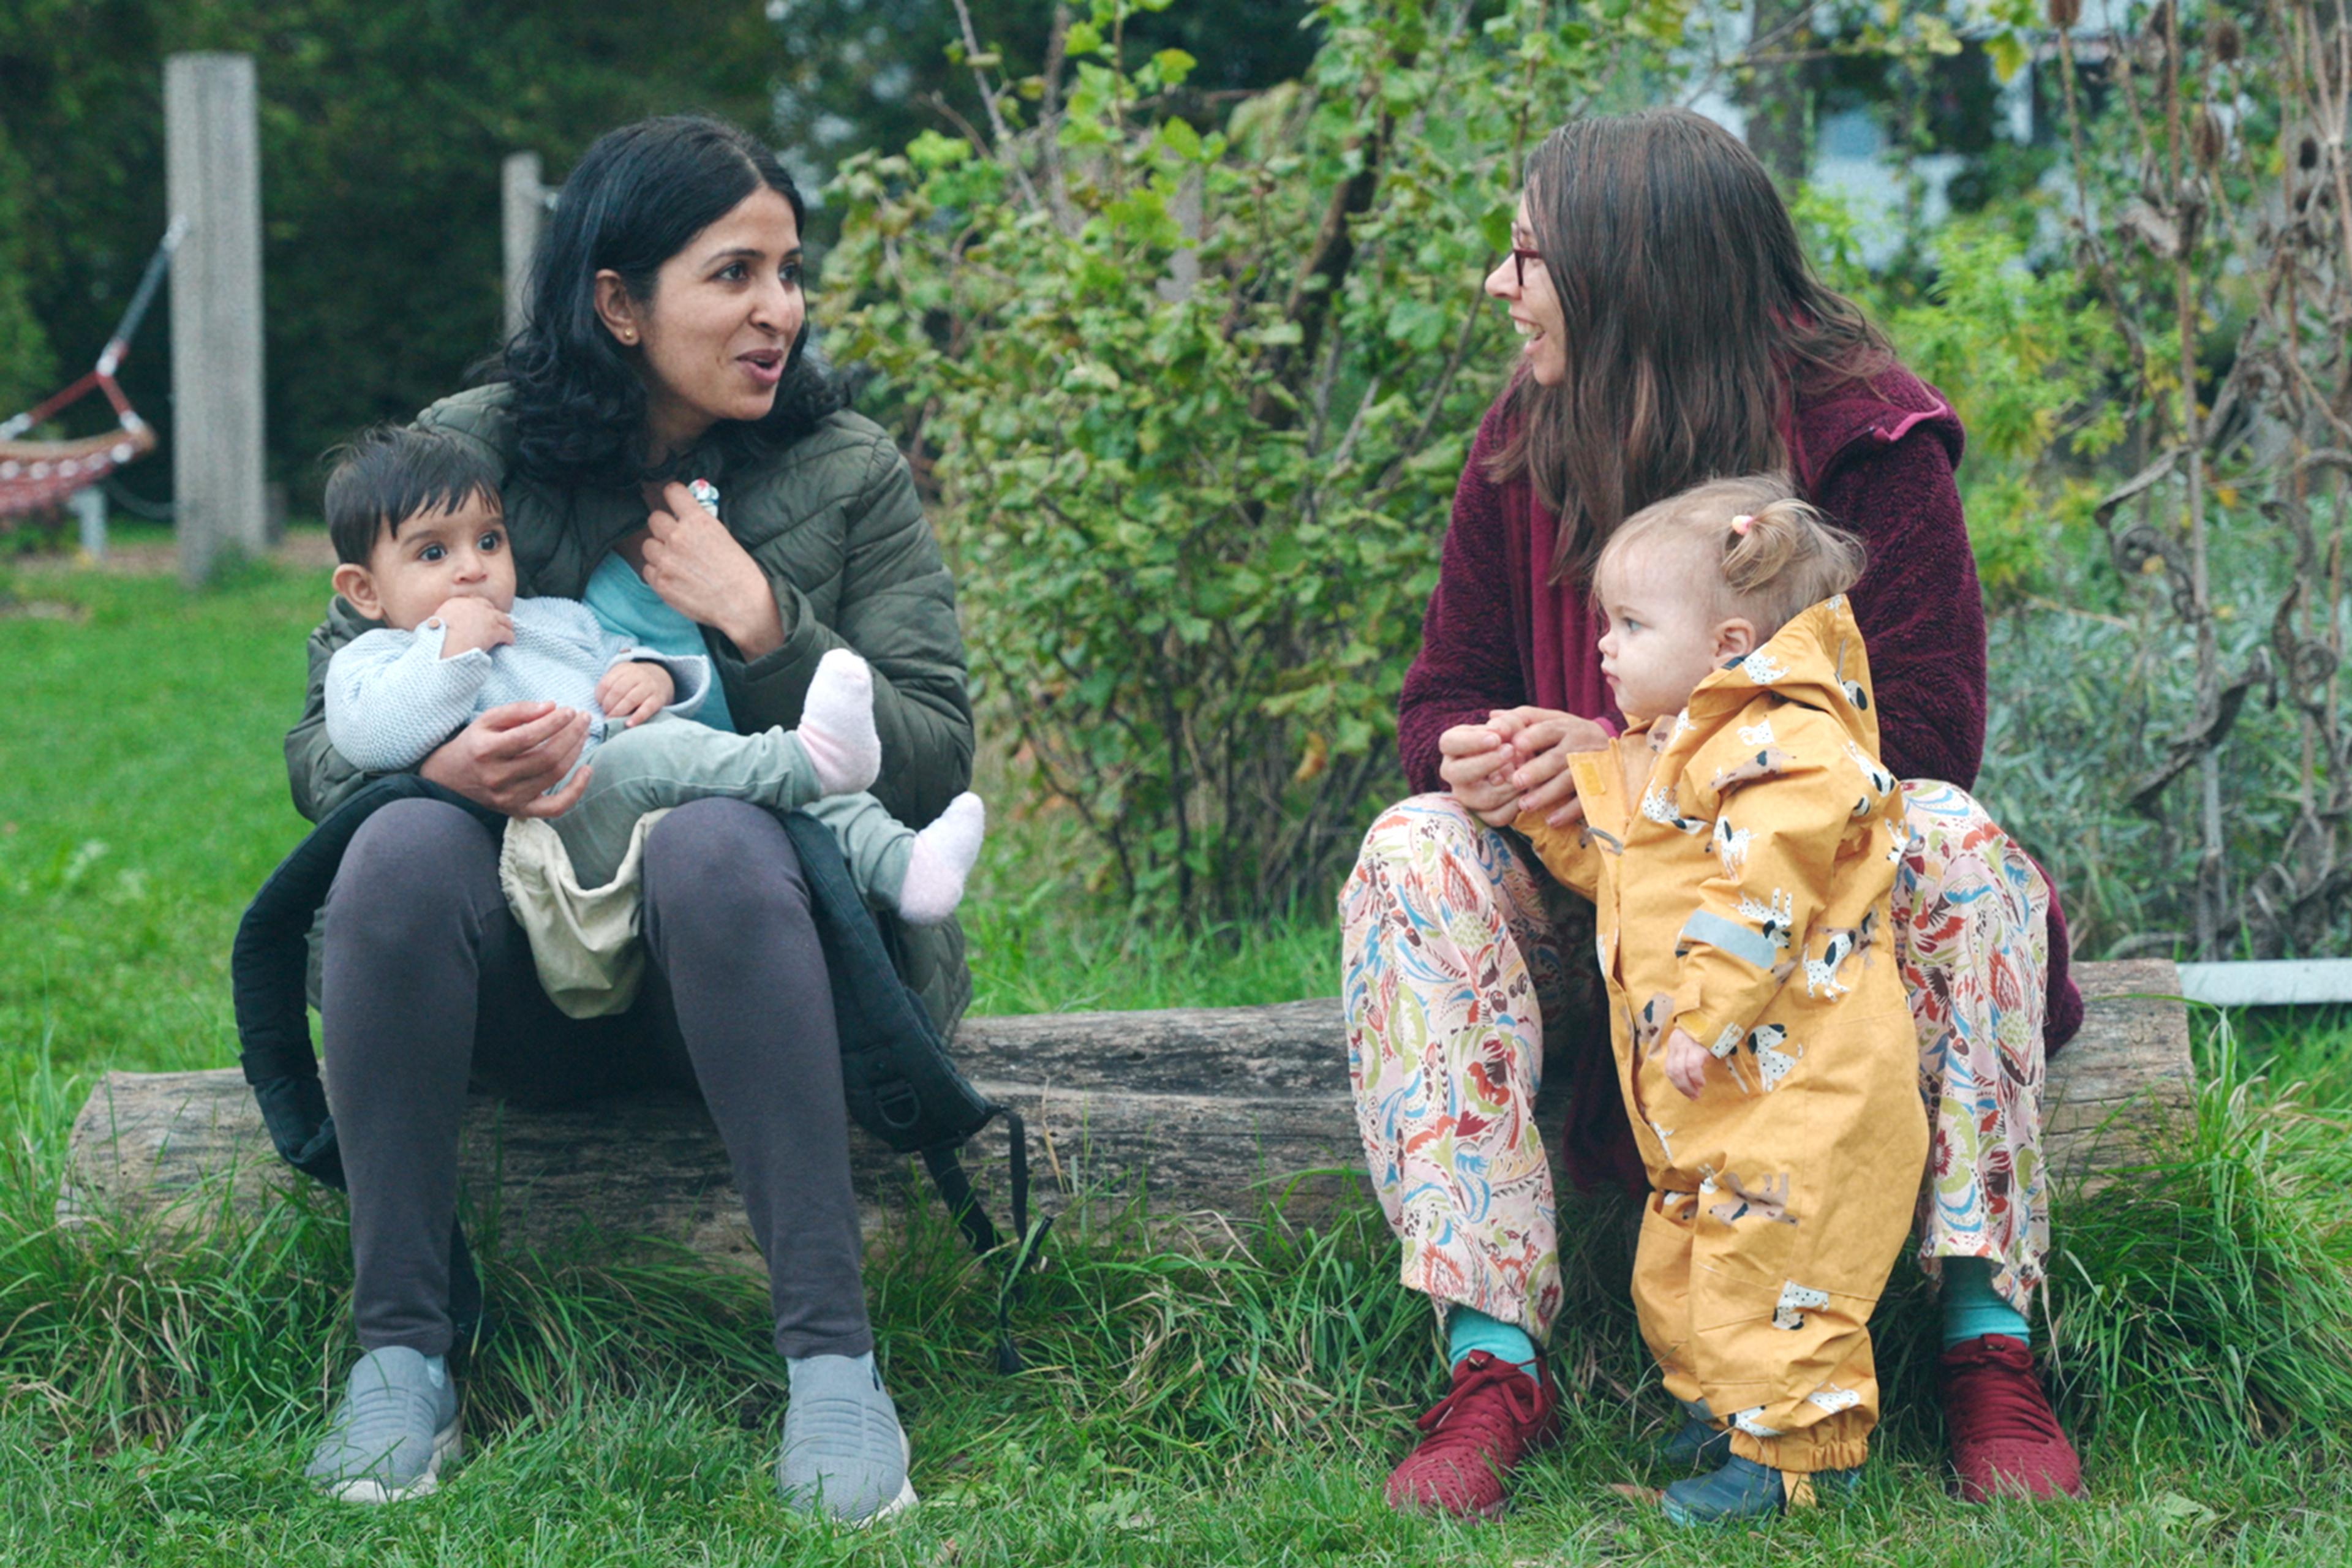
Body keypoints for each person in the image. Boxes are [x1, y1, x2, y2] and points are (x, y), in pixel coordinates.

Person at [1346, 107, 2085, 1520]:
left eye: (1525, 254)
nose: (1498, 286)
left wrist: (1638, 754)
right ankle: (1491, 1358)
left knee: (1962, 846)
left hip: (1801, 940)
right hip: (1603, 936)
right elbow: (1436, 693)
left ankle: (1985, 1336)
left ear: (1633, 269)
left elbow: (1923, 734)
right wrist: (1483, 757)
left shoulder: (1862, 435)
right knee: (1408, 851)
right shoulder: (1522, 435)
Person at [283, 115, 974, 1525]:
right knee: (399, 839)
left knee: (719, 836)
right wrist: (446, 767)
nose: (778, 307)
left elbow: (932, 753)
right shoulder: (469, 458)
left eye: (789, 271)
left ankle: (835, 1367)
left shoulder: (844, 469)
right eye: (733, 274)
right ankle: (400, 1356)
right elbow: (321, 740)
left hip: (760, 957)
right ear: (616, 301)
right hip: (516, 966)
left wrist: (768, 625)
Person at [1515, 476, 1925, 1524]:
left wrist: (1705, 1016)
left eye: (1631, 624)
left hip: (1804, 1088)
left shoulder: (1788, 750)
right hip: (1721, 1096)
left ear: (1728, 641)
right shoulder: (1688, 746)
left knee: (1781, 1268)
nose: (1603, 646)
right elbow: (1641, 872)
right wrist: (1549, 821)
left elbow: (1765, 900)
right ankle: (1723, 1416)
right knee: (1689, 1258)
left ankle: (1796, 1459)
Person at [317, 424, 985, 1011]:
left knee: (757, 785)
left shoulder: (553, 620)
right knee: (668, 757)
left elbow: (619, 656)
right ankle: (813, 756)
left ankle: (903, 863)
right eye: (434, 554)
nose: (472, 570)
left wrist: (654, 676)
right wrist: (451, 648)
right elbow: (375, 734)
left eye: (489, 541)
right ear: (364, 590)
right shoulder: (377, 660)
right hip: (552, 831)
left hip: (642, 820)